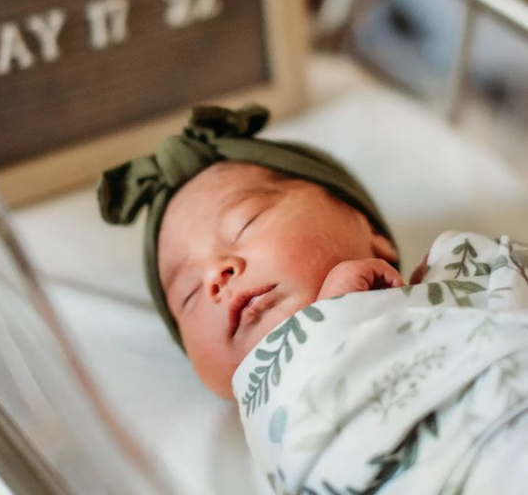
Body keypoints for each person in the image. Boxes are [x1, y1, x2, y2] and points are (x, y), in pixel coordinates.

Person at [98, 103, 528, 495]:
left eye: (247, 222)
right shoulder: (275, 426)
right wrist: (328, 328)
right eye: (189, 295)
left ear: (371, 233)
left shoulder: (462, 268)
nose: (216, 274)